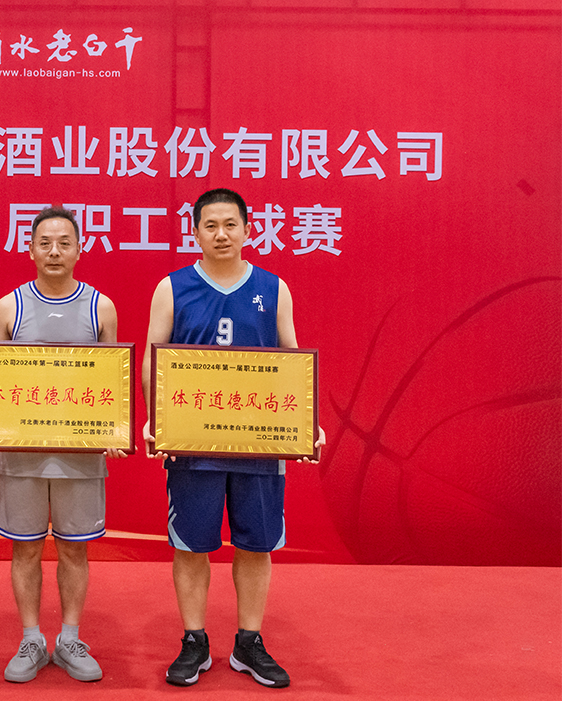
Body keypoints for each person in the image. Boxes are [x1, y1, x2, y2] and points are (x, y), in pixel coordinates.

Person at [145, 187, 323, 688]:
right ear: (195, 232)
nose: (221, 234)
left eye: (230, 225)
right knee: (191, 545)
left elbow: (292, 359)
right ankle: (194, 640)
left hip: (258, 443)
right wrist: (157, 419)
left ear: (248, 229)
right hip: (192, 445)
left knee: (256, 544)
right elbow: (154, 359)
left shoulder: (274, 287)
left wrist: (305, 422)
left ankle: (249, 642)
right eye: (210, 225)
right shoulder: (172, 288)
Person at [0, 206, 123, 683]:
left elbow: (110, 379)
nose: (54, 251)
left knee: (75, 550)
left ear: (79, 250)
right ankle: (32, 638)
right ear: (30, 249)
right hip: (23, 455)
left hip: (80, 456)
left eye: (64, 243)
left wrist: (114, 430)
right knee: (26, 550)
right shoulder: (8, 308)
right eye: (45, 243)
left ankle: (70, 638)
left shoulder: (101, 307)